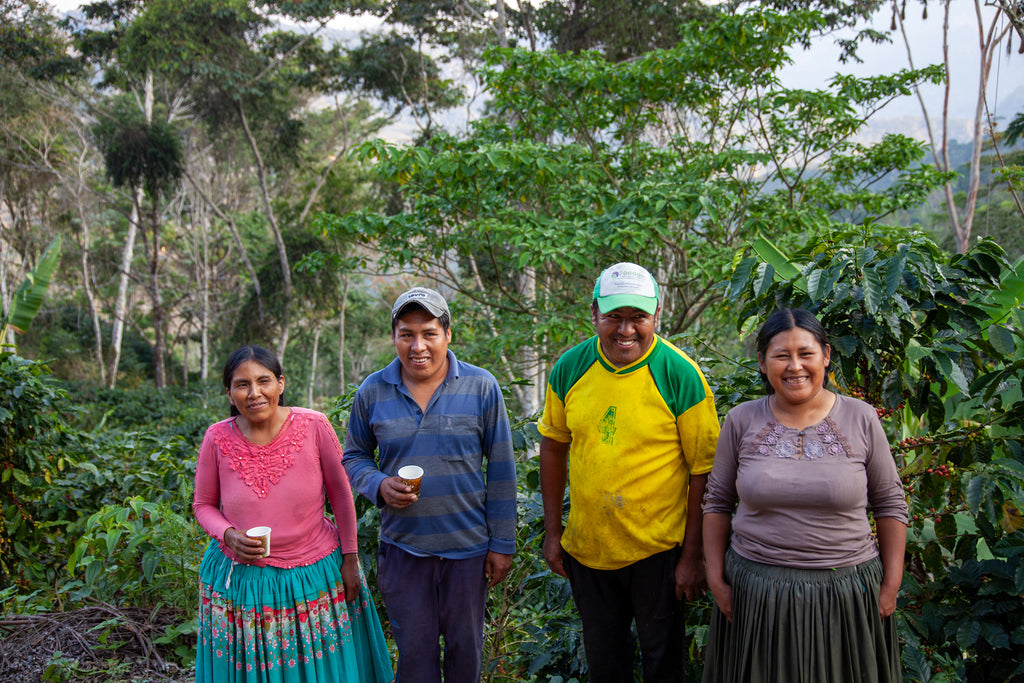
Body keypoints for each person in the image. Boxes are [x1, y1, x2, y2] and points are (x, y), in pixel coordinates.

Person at [702, 308, 908, 683]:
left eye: (806, 353)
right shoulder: (741, 419)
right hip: (757, 595)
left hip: (847, 595)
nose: (794, 366)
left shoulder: (861, 418)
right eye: (781, 355)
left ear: (826, 356)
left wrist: (891, 584)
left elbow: (890, 502)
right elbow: (717, 502)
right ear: (763, 363)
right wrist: (716, 579)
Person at [538, 262, 721, 683]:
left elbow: (704, 472)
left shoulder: (680, 374)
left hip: (659, 552)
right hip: (589, 549)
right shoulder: (570, 368)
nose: (626, 330)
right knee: (605, 664)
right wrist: (553, 533)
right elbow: (553, 447)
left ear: (656, 315)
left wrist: (693, 556)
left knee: (663, 663)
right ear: (594, 315)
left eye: (638, 317)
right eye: (614, 317)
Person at [343, 286, 517, 683]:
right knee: (415, 662)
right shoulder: (372, 391)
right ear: (394, 337)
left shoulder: (481, 386)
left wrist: (502, 545)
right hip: (404, 552)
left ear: (447, 335)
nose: (418, 345)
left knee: (464, 660)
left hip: (468, 554)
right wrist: (379, 485)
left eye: (429, 333)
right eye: (407, 334)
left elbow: (503, 470)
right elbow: (353, 456)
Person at [193, 345, 393, 683]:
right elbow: (203, 505)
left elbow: (342, 495)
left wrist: (350, 557)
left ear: (281, 384)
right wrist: (229, 535)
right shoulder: (217, 437)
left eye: (264, 381)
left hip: (313, 576)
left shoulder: (314, 426)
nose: (254, 393)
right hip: (243, 581)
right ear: (229, 392)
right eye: (242, 384)